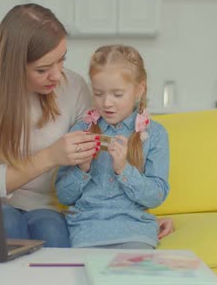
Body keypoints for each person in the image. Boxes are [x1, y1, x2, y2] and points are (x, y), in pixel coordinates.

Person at [0, 3, 99, 247]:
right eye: (42, 69)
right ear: (12, 67)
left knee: (51, 231)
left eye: (61, 60)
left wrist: (135, 216)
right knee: (7, 223)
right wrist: (50, 156)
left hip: (49, 207)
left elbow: (98, 163)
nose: (56, 75)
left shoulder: (74, 86)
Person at [56, 45, 170, 249]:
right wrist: (83, 169)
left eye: (117, 94)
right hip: (86, 230)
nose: (107, 103)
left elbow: (156, 197)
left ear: (139, 89)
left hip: (134, 231)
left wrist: (124, 170)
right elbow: (64, 196)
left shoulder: (155, 134)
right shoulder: (81, 129)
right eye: (98, 93)